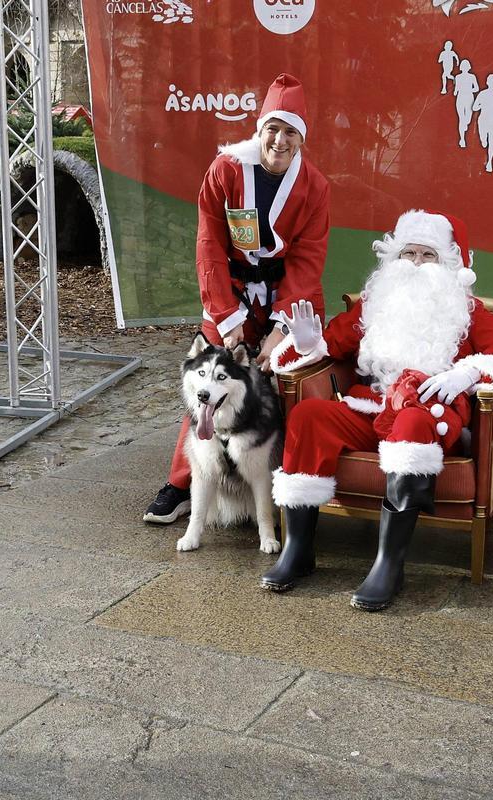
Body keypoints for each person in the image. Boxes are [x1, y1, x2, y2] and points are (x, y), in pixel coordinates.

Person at [261, 210, 493, 611]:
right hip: (373, 407)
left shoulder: (468, 311)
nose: (416, 263)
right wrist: (305, 344)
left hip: (428, 415)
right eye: (409, 253)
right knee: (308, 416)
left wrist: (469, 372)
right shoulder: (375, 304)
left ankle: (389, 564)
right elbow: (332, 344)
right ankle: (298, 550)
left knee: (412, 422)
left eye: (428, 254)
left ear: (448, 262)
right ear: (394, 257)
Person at [143, 73, 330, 525]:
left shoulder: (315, 186)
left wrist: (281, 330)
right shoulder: (225, 170)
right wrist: (228, 321)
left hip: (288, 296)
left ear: (302, 139)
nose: (280, 141)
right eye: (273, 129)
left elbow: (307, 258)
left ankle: (288, 483)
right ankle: (183, 483)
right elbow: (209, 244)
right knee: (210, 383)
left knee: (292, 380)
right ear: (259, 129)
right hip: (229, 291)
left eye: (290, 132)